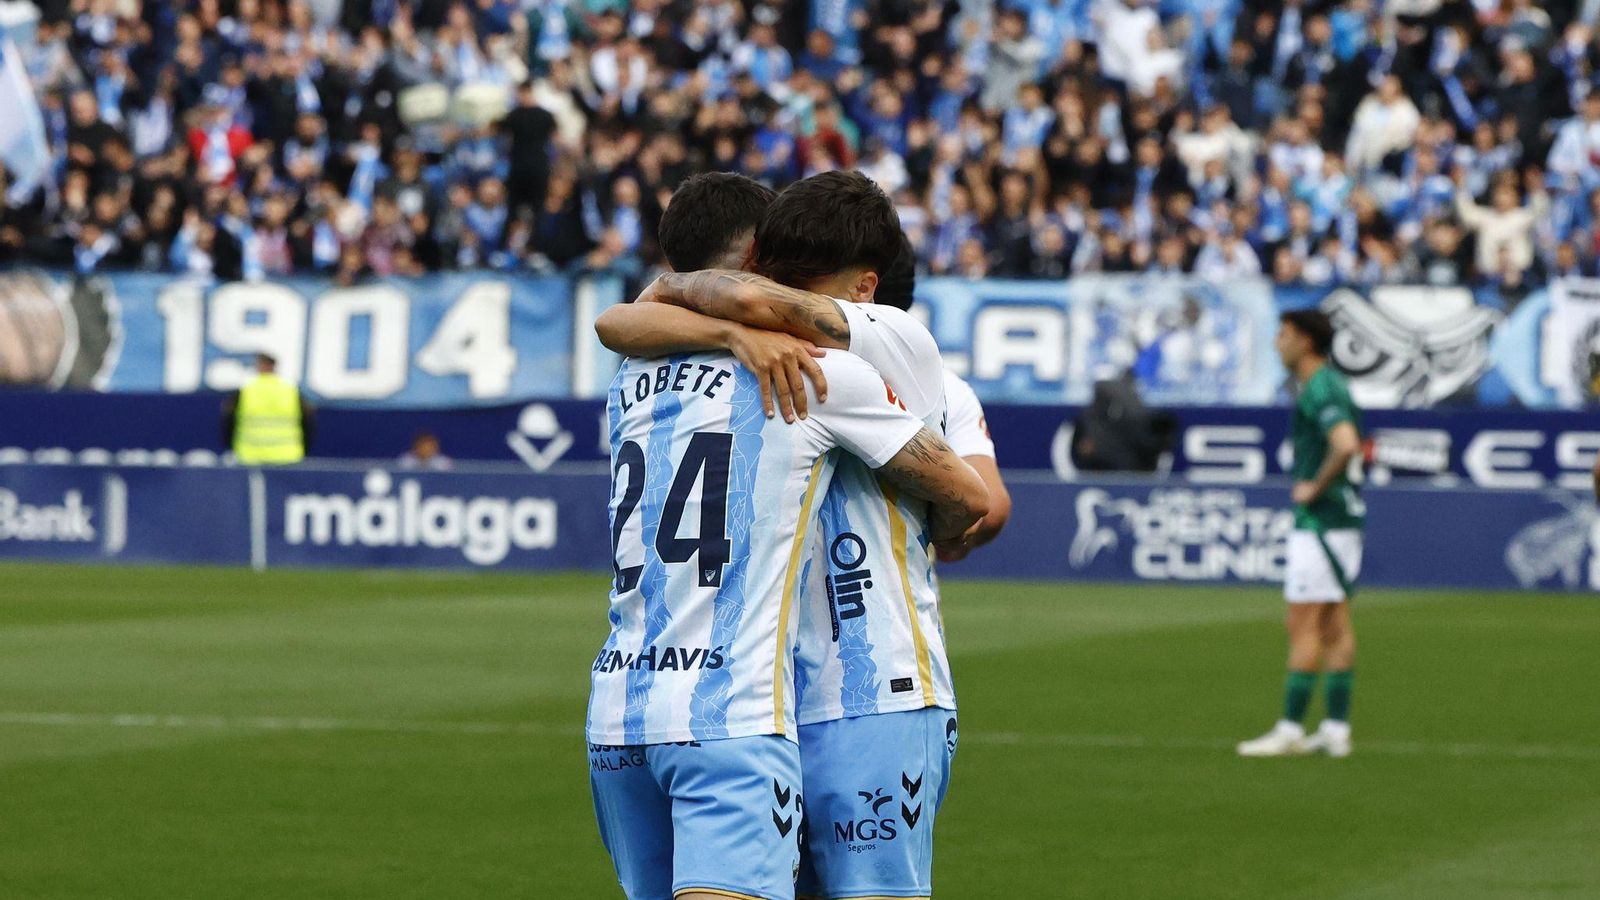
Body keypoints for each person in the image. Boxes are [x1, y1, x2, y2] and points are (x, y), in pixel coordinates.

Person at [587, 175, 990, 900]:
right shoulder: (809, 372)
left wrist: (718, 315)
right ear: (752, 254)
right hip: (748, 707)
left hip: (644, 704)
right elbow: (967, 497)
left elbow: (624, 317)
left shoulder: (632, 373)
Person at [1238, 310, 1363, 759]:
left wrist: (1315, 486)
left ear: (1306, 341)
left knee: (1304, 622)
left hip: (1322, 522)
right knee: (1334, 623)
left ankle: (1290, 728)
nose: (1277, 343)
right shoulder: (1327, 385)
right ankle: (1335, 730)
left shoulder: (1321, 387)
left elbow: (1345, 443)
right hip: (1343, 521)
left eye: (1284, 335)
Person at [222, 354, 313, 465]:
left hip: (250, 455)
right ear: (274, 367)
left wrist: (231, 446)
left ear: (259, 366)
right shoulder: (290, 390)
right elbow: (309, 422)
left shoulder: (246, 390)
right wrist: (304, 448)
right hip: (286, 455)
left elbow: (228, 420)